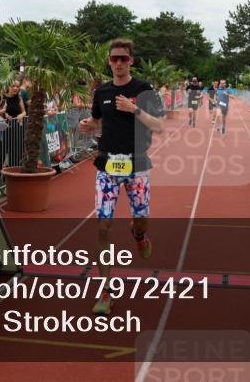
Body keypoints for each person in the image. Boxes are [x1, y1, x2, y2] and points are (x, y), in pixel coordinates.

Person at [78, 38, 164, 315]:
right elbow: (95, 120)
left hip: (137, 165)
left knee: (142, 219)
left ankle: (139, 234)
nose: (118, 63)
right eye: (114, 58)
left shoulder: (144, 89)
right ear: (109, 61)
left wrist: (135, 109)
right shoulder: (101, 91)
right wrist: (87, 125)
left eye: (123, 59)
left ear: (131, 61)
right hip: (107, 166)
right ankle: (106, 289)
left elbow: (159, 125)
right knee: (102, 227)